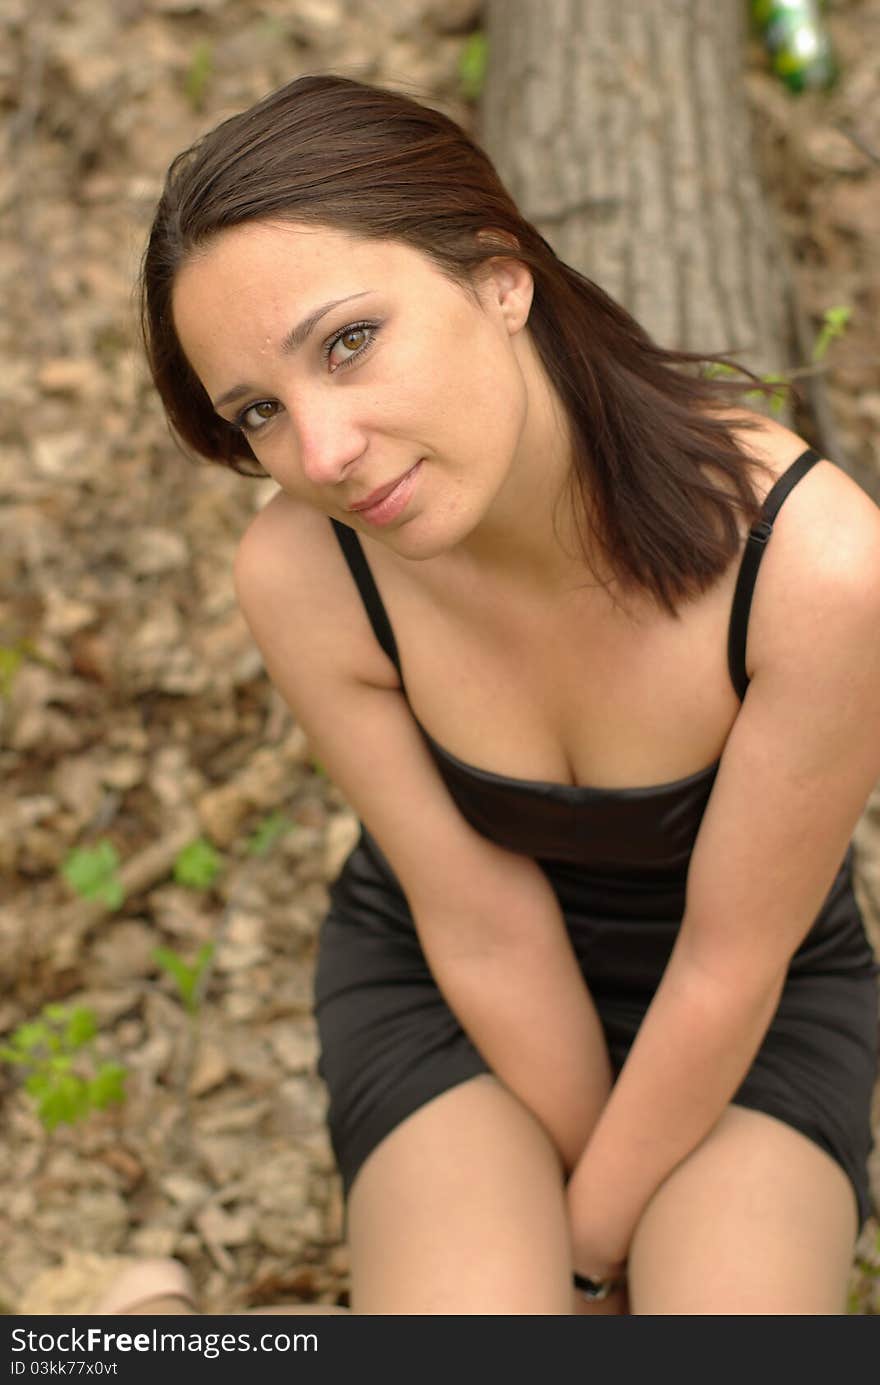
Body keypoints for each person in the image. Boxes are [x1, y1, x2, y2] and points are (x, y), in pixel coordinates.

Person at [139, 72, 880, 1315]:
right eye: (259, 411)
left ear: (498, 276)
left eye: (349, 340)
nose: (319, 454)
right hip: (450, 980)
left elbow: (726, 963)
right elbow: (479, 920)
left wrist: (591, 1247)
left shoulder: (818, 570)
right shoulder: (304, 572)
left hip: (748, 1005)